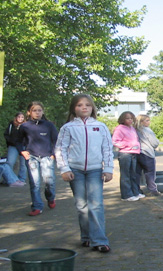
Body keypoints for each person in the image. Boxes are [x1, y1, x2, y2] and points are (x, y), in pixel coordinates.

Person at [55, 94, 114, 253]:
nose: (84, 107)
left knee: (96, 204)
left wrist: (108, 169)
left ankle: (100, 240)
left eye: (87, 105)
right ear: (74, 108)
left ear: (92, 108)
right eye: (80, 105)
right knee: (82, 206)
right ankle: (87, 237)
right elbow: (61, 150)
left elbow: (107, 149)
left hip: (95, 170)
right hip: (75, 171)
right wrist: (65, 169)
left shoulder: (100, 127)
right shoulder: (67, 128)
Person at [17, 101, 58, 216]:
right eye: (34, 110)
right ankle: (37, 206)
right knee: (34, 183)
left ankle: (50, 197)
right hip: (32, 157)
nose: (37, 113)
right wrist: (22, 151)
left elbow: (56, 140)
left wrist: (53, 154)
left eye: (39, 110)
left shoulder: (49, 125)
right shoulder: (25, 126)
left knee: (49, 181)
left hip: (47, 156)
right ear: (29, 112)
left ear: (43, 112)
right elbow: (18, 141)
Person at [112, 111, 144, 201]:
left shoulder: (132, 128)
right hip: (125, 154)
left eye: (131, 118)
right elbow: (115, 141)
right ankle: (126, 195)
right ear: (123, 119)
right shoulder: (119, 128)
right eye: (127, 118)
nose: (130, 120)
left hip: (134, 153)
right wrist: (128, 145)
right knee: (126, 175)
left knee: (133, 174)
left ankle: (135, 192)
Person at [134, 114, 161, 196]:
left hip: (136, 152)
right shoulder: (147, 130)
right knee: (150, 172)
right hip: (147, 153)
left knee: (137, 173)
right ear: (141, 122)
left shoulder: (134, 130)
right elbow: (154, 143)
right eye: (147, 120)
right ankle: (152, 189)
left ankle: (136, 189)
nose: (149, 122)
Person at [4, 112, 27, 183]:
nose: (20, 118)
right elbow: (6, 134)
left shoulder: (26, 126)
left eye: (22, 117)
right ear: (16, 118)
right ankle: (9, 178)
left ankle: (22, 179)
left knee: (23, 164)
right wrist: (10, 141)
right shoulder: (11, 125)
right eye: (19, 117)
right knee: (10, 163)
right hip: (13, 146)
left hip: (23, 146)